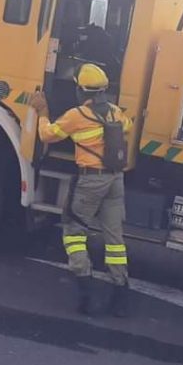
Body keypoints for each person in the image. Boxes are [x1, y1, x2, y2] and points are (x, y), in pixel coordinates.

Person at [28, 63, 133, 317]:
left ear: (81, 91)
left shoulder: (77, 115)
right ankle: (120, 295)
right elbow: (127, 126)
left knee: (74, 233)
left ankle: (87, 293)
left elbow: (47, 135)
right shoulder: (116, 112)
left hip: (91, 181)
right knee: (115, 241)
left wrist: (43, 111)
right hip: (116, 180)